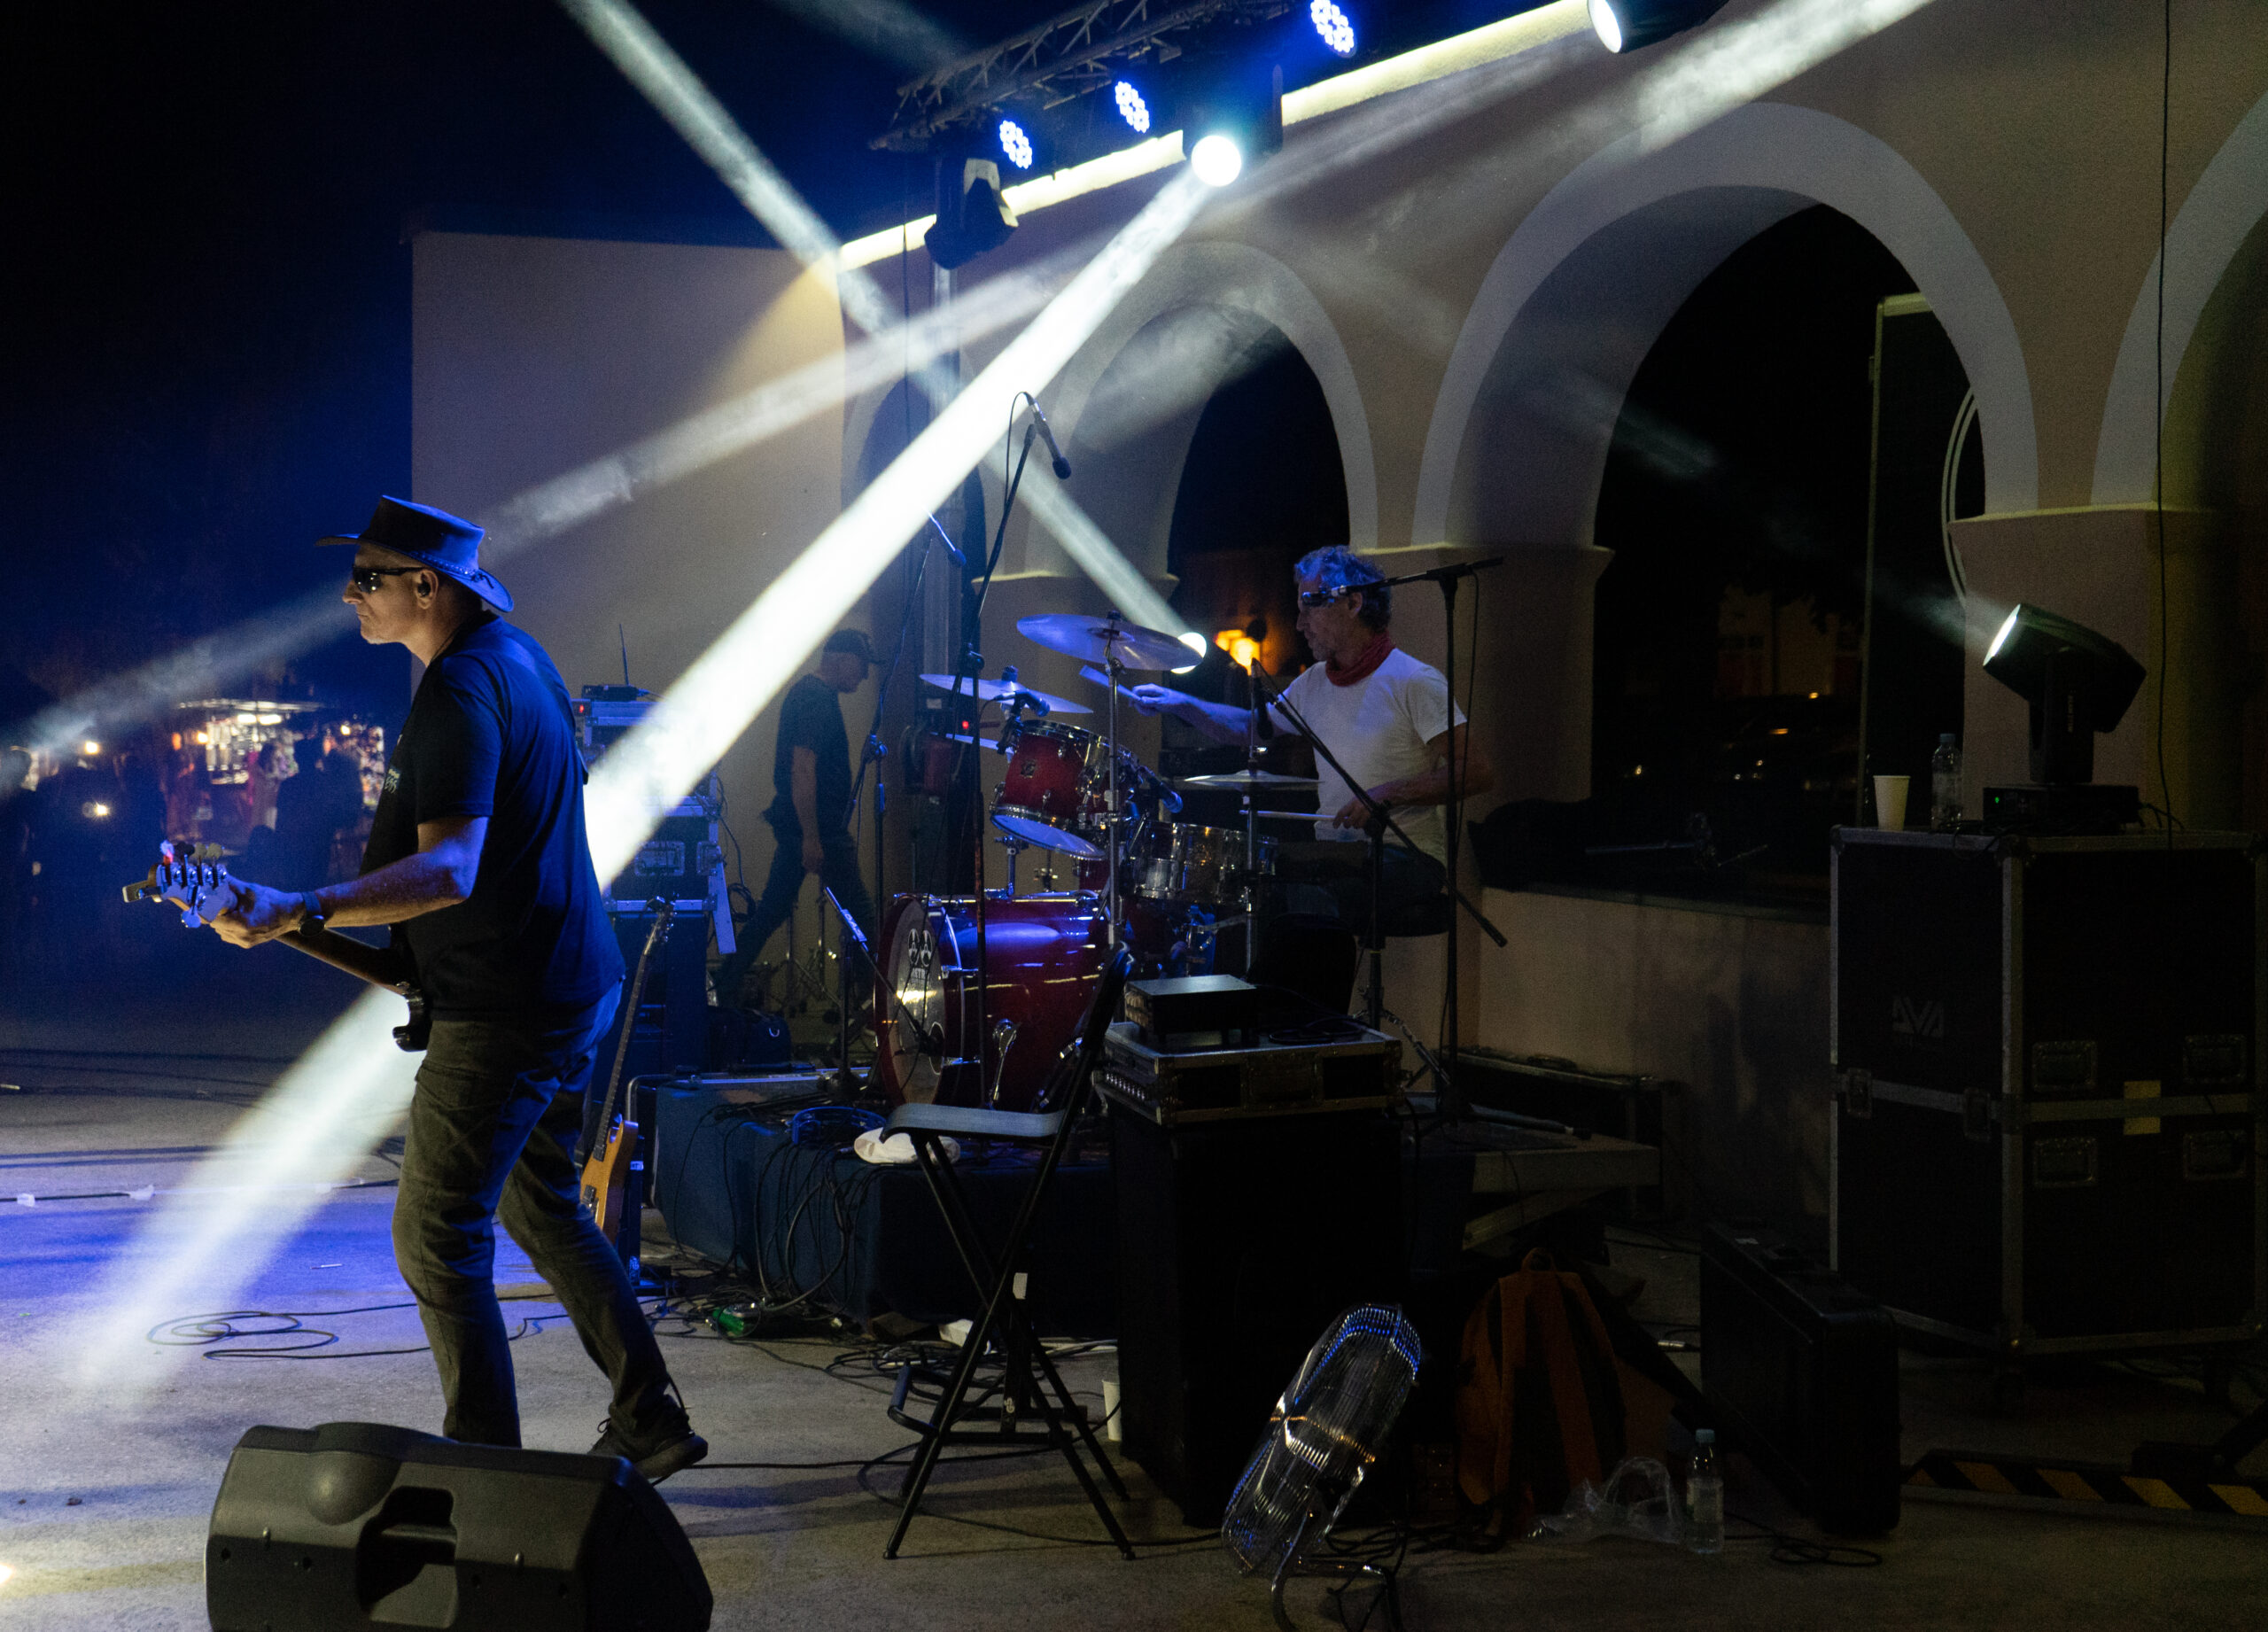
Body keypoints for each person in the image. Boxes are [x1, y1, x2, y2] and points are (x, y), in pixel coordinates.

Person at [207, 495, 704, 1480]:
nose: (349, 595)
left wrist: (304, 905)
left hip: (510, 1006)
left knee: (435, 1232)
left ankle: (483, 1476)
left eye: (367, 577)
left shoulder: (462, 690)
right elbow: (481, 875)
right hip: (563, 981)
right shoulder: (518, 661)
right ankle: (650, 1418)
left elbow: (450, 871)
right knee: (543, 1207)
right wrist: (296, 921)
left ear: (426, 586)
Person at [1131, 545, 1493, 930]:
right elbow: (1251, 729)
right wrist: (1180, 703)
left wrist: (1385, 794)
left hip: (1404, 855)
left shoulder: (1413, 681)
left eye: (1310, 607)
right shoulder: (1314, 683)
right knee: (1256, 886)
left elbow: (1476, 772)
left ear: (1353, 603)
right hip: (1337, 854)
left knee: (1308, 903)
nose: (1300, 624)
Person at [715, 628, 879, 1005]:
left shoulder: (812, 694)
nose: (865, 675)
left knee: (772, 911)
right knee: (861, 917)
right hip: (819, 829)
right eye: (862, 665)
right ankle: (872, 1006)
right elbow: (802, 768)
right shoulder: (814, 698)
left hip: (809, 827)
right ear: (843, 659)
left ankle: (724, 987)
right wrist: (811, 836)